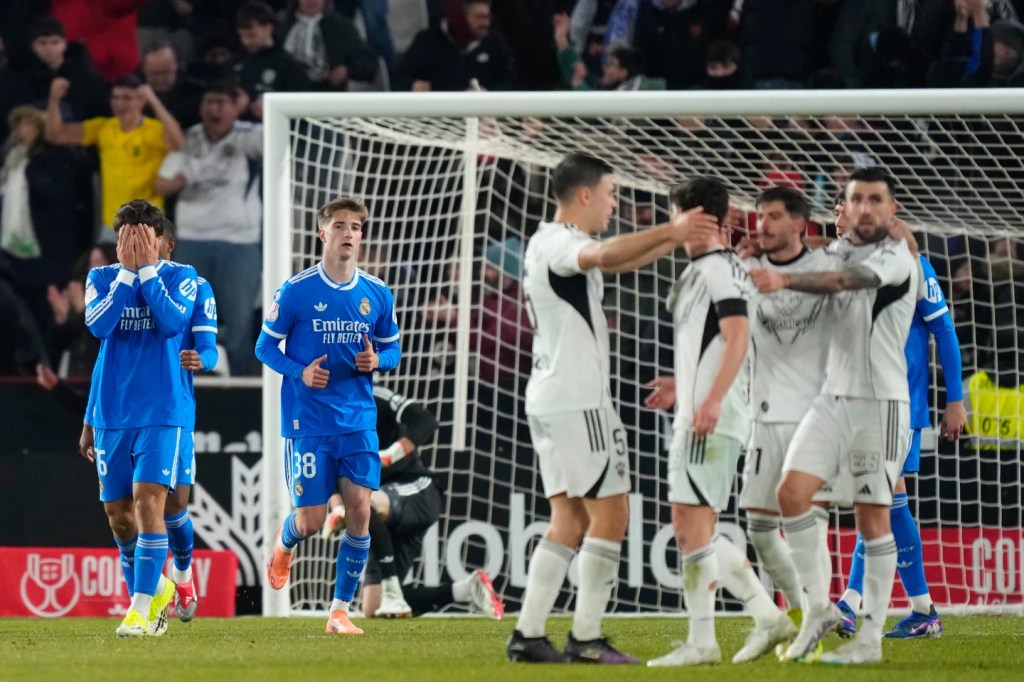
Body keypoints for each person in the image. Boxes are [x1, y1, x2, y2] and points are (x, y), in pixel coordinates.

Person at [507, 152, 717, 664]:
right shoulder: (562, 242)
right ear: (584, 196)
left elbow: (615, 258)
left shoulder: (543, 241)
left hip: (550, 396)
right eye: (610, 193)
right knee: (612, 513)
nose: (614, 202)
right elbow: (602, 256)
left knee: (569, 519)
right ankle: (586, 637)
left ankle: (529, 634)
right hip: (578, 401)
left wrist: (671, 238)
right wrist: (672, 230)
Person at [749, 167, 920, 664]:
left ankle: (869, 641)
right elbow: (815, 260)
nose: (865, 208)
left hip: (879, 404)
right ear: (842, 206)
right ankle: (820, 609)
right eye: (856, 199)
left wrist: (784, 277)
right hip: (831, 399)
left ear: (892, 210)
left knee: (872, 517)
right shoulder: (837, 249)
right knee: (792, 495)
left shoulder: (895, 257)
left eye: (875, 200)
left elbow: (847, 279)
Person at [645, 178, 794, 667]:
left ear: (699, 217)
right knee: (696, 529)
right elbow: (711, 344)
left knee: (692, 528)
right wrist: (681, 386)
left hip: (712, 418)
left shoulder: (718, 269)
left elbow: (737, 337)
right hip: (701, 410)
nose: (672, 226)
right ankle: (761, 618)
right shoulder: (706, 269)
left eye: (676, 215)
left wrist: (709, 400)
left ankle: (708, 639)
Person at [256, 197, 401, 635]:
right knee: (313, 521)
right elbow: (264, 347)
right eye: (340, 225)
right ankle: (284, 546)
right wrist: (299, 371)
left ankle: (339, 611)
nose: (349, 233)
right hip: (308, 423)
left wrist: (377, 361)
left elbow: (392, 350)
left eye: (355, 226)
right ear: (323, 234)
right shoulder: (296, 290)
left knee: (359, 511)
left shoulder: (376, 293)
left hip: (357, 420)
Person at [832, 195, 968, 640]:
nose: (837, 218)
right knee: (885, 503)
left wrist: (955, 400)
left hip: (898, 405)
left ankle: (851, 605)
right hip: (859, 403)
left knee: (878, 500)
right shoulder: (846, 268)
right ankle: (921, 609)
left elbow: (944, 330)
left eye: (843, 210)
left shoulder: (910, 265)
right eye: (836, 210)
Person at [78, 216, 218, 623]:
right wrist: (127, 273)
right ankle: (158, 591)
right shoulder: (102, 278)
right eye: (126, 236)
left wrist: (202, 360)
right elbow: (101, 334)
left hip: (167, 411)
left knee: (166, 505)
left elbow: (184, 330)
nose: (135, 244)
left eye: (144, 237)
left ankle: (163, 590)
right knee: (121, 520)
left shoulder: (188, 280)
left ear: (164, 243)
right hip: (112, 413)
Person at [320, 384, 504, 619]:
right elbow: (333, 473)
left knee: (365, 503)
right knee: (373, 608)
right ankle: (466, 589)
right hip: (380, 518)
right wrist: (337, 509)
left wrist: (389, 456)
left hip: (417, 490)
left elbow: (425, 421)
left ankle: (393, 591)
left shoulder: (371, 396)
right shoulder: (322, 420)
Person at [156, 81, 263, 376]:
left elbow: (283, 143)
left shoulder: (249, 137)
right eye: (209, 102)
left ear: (234, 107)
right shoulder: (189, 139)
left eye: (221, 103)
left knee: (239, 321)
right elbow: (161, 181)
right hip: (191, 241)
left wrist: (266, 113)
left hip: (239, 244)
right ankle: (186, 383)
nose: (214, 109)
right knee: (186, 318)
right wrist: (177, 181)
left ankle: (241, 387)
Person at [45, 74, 185, 235]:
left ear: (141, 101)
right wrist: (54, 100)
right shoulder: (103, 128)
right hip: (113, 226)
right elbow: (55, 135)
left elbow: (179, 144)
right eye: (116, 97)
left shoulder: (155, 130)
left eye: (127, 98)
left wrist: (153, 100)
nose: (119, 103)